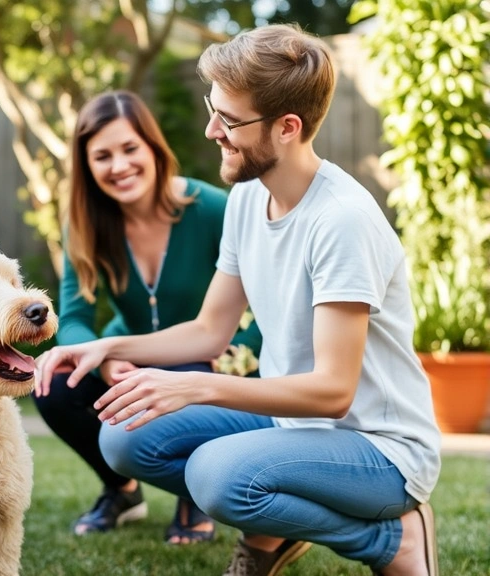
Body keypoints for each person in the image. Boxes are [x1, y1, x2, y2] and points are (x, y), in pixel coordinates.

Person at [36, 24, 440, 576]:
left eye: (228, 120)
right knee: (125, 440)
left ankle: (394, 539)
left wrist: (192, 385)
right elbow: (209, 331)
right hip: (288, 428)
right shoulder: (250, 198)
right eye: (213, 110)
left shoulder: (340, 221)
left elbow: (333, 392)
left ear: (287, 128)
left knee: (216, 476)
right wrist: (105, 346)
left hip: (379, 451)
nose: (210, 131)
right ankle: (272, 527)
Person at [33, 89, 262, 542]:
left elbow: (266, 302)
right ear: (87, 165)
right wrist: (104, 360)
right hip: (127, 357)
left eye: (129, 148)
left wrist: (239, 353)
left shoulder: (215, 209)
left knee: (196, 368)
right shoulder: (84, 225)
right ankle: (121, 490)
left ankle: (193, 495)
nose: (119, 166)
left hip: (204, 354)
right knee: (56, 385)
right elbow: (74, 316)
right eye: (102, 156)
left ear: (154, 149)